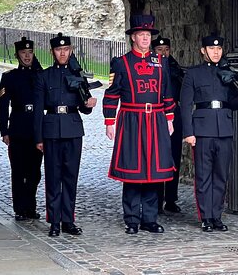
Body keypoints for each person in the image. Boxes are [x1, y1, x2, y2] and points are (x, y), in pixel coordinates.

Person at [103, 14, 176, 235]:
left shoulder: (160, 62)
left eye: (148, 35)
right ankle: (132, 219)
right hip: (132, 120)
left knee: (154, 171)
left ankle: (150, 219)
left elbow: (167, 92)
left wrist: (170, 118)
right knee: (133, 171)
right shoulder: (122, 63)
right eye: (141, 35)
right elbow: (112, 94)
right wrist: (109, 121)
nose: (145, 38)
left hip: (155, 120)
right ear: (133, 37)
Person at [180, 34, 238, 232]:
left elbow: (231, 103)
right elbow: (186, 104)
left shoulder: (227, 72)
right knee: (204, 176)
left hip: (224, 129)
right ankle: (205, 217)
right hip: (202, 130)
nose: (215, 52)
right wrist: (188, 132)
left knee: (221, 175)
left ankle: (217, 216)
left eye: (219, 49)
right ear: (203, 50)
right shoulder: (194, 74)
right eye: (212, 49)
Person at [33, 33, 97, 237]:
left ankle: (68, 220)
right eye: (59, 50)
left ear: (70, 51)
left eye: (66, 49)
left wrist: (89, 105)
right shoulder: (44, 76)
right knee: (53, 177)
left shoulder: (77, 75)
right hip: (51, 129)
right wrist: (38, 138)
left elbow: (84, 107)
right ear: (53, 52)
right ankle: (54, 221)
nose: (63, 53)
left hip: (72, 128)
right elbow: (37, 110)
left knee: (70, 177)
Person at [0, 36, 43, 221]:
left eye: (30, 53)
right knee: (18, 171)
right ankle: (20, 208)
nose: (27, 56)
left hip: (36, 129)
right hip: (17, 127)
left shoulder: (40, 75)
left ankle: (31, 206)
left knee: (34, 172)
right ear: (17, 55)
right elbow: (2, 106)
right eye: (23, 53)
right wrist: (4, 131)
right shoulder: (10, 78)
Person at [151, 35, 184, 214]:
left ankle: (171, 198)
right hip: (158, 114)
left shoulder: (175, 67)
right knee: (157, 157)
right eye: (159, 50)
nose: (163, 53)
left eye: (166, 50)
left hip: (175, 113)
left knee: (174, 156)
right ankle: (156, 200)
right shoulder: (150, 67)